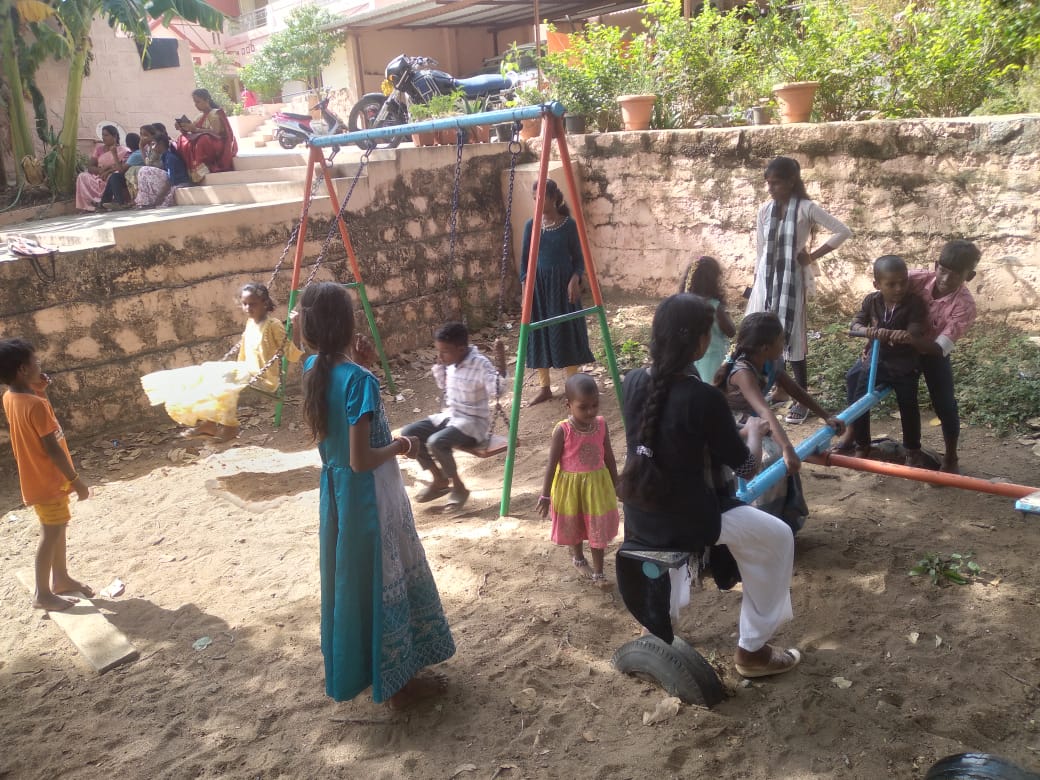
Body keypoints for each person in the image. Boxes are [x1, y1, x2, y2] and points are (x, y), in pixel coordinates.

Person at [619, 294, 801, 678]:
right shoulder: (703, 396)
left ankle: (655, 625)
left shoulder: (632, 381)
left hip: (639, 514)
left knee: (672, 534)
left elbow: (671, 439)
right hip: (690, 521)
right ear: (701, 342)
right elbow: (748, 467)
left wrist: (730, 433)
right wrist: (754, 431)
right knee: (778, 537)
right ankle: (752, 652)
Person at [298, 282, 455, 708]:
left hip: (337, 497)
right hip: (370, 497)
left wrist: (360, 365)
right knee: (385, 581)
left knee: (354, 583)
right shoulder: (360, 380)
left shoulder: (312, 367)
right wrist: (403, 445)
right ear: (348, 324)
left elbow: (341, 425)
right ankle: (397, 686)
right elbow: (362, 458)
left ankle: (369, 672)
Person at [745, 156, 852, 424]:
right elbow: (761, 249)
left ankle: (801, 396)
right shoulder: (765, 211)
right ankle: (778, 388)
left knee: (791, 336)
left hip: (791, 281)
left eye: (776, 183)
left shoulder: (806, 208)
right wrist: (757, 281)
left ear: (792, 181)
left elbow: (842, 231)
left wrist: (812, 256)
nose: (771, 188)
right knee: (765, 333)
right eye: (768, 183)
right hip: (767, 280)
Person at [714, 312, 845, 529]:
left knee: (782, 461)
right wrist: (787, 448)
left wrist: (826, 415)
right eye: (781, 340)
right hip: (734, 424)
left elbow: (795, 390)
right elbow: (764, 409)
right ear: (765, 347)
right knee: (771, 459)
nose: (784, 344)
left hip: (755, 421)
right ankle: (761, 523)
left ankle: (785, 519)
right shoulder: (743, 372)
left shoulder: (771, 362)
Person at [140, 282, 302, 442]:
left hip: (264, 377)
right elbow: (244, 353)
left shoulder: (273, 325)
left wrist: (296, 327)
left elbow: (292, 355)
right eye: (244, 304)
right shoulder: (251, 322)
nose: (247, 308)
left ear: (264, 303)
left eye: (252, 304)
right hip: (246, 370)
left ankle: (230, 427)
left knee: (224, 380)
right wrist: (236, 370)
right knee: (207, 372)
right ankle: (209, 423)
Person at [0, 339, 92, 612]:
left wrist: (40, 390)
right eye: (35, 362)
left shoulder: (11, 397)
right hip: (48, 480)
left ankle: (60, 578)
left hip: (40, 479)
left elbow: (43, 420)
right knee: (50, 534)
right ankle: (43, 594)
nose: (40, 365)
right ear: (22, 370)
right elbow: (52, 448)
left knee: (58, 527)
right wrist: (76, 480)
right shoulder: (34, 404)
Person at [835, 255, 929, 466]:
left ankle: (912, 449)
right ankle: (862, 444)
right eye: (891, 284)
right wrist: (865, 330)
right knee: (860, 401)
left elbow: (915, 328)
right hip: (876, 361)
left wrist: (905, 334)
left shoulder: (914, 302)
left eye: (903, 282)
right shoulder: (872, 301)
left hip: (904, 364)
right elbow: (856, 323)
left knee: (908, 405)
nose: (899, 288)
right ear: (877, 285)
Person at [402, 322, 500, 513]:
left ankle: (459, 487)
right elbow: (444, 386)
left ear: (461, 349)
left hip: (473, 423)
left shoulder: (480, 364)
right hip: (451, 416)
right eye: (438, 351)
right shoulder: (451, 362)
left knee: (436, 442)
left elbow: (497, 390)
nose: (440, 356)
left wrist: (501, 369)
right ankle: (439, 479)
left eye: (444, 352)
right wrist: (441, 367)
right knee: (409, 434)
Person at [537, 373, 620, 588]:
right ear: (569, 405)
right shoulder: (562, 430)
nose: (591, 411)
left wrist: (617, 483)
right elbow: (552, 464)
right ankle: (578, 558)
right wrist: (545, 495)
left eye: (595, 405)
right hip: (570, 488)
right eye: (583, 407)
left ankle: (599, 573)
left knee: (596, 528)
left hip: (596, 487)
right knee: (574, 524)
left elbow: (609, 456)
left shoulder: (601, 425)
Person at [520, 178, 595, 406]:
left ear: (553, 198)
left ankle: (572, 387)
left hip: (563, 289)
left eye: (540, 198)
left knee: (567, 331)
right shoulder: (531, 226)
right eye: (534, 199)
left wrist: (575, 279)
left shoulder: (569, 225)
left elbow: (579, 260)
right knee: (540, 333)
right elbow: (524, 264)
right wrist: (525, 292)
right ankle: (545, 388)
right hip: (539, 289)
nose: (537, 203)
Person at [908, 240, 981, 473]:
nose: (946, 279)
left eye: (956, 275)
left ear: (969, 276)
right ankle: (854, 436)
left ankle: (950, 457)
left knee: (945, 403)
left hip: (932, 353)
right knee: (859, 378)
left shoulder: (965, 306)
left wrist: (906, 338)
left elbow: (940, 349)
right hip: (900, 350)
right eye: (943, 270)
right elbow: (882, 296)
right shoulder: (913, 279)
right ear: (935, 265)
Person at [679, 255, 736, 381]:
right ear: (713, 281)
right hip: (714, 360)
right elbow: (731, 332)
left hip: (690, 358)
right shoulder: (715, 306)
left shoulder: (684, 304)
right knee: (713, 387)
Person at [175, 88, 238, 183]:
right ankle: (191, 169)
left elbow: (216, 133)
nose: (196, 105)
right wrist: (182, 127)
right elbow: (192, 132)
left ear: (207, 100)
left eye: (198, 102)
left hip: (217, 142)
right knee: (182, 139)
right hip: (204, 141)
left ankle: (202, 169)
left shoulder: (215, 113)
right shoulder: (199, 116)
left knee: (203, 139)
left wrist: (196, 130)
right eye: (195, 102)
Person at [75, 125, 130, 212]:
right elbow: (90, 166)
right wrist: (101, 171)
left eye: (106, 135)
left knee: (113, 177)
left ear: (114, 136)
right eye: (102, 135)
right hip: (98, 175)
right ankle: (89, 206)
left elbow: (123, 167)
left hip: (113, 174)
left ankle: (108, 203)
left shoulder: (123, 150)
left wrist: (108, 171)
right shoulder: (99, 149)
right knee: (82, 176)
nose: (103, 138)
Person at [134, 133, 190, 209]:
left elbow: (170, 180)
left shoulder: (170, 158)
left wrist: (159, 198)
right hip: (173, 183)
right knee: (144, 170)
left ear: (160, 144)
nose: (152, 148)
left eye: (153, 144)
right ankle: (146, 201)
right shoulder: (164, 157)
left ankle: (147, 202)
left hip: (179, 183)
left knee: (145, 170)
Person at [99, 132, 141, 209]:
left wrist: (114, 154)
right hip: (132, 176)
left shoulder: (135, 155)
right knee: (114, 176)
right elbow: (121, 166)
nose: (103, 137)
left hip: (134, 178)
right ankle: (103, 204)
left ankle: (118, 202)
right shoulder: (136, 153)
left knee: (115, 177)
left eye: (106, 135)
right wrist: (109, 170)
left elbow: (121, 170)